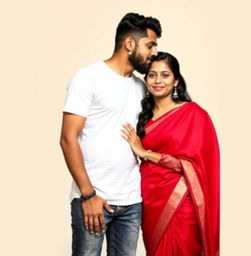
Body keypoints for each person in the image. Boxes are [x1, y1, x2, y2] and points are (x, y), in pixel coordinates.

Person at [60, 13, 162, 256]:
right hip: (93, 198)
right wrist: (88, 194)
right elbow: (67, 138)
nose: (155, 52)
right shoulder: (88, 77)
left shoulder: (141, 87)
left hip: (131, 202)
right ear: (129, 43)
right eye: (150, 45)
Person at [122, 52, 220, 256]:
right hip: (149, 200)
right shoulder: (141, 115)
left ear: (176, 80)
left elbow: (191, 164)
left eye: (165, 75)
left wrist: (144, 152)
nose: (158, 81)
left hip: (180, 201)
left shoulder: (193, 114)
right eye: (152, 75)